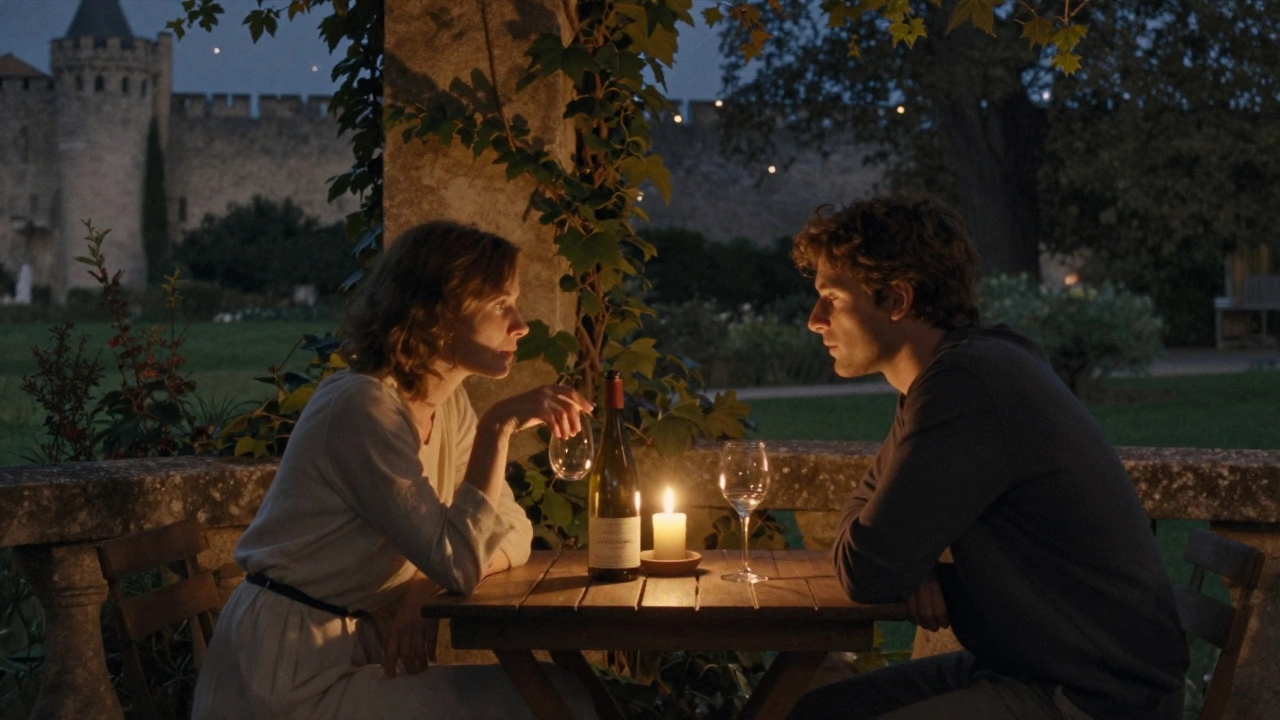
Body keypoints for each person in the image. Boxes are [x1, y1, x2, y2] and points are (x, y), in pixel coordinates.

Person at [786, 197, 1188, 720]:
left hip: (1095, 694)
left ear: (897, 299)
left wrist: (906, 555)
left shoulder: (965, 385)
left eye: (832, 299)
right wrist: (914, 557)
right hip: (1037, 667)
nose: (815, 321)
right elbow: (870, 523)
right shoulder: (957, 372)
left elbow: (867, 569)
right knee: (818, 712)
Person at [193, 221, 597, 719]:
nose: (521, 324)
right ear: (436, 311)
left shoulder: (448, 406)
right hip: (282, 674)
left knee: (561, 693)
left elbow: (513, 531)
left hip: (350, 653)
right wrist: (500, 426)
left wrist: (422, 586)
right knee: (552, 702)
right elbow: (461, 563)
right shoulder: (362, 408)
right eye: (499, 304)